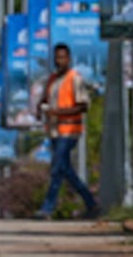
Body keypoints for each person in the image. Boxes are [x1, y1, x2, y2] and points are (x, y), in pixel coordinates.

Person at [35, 43, 100, 219]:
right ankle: (91, 202)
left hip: (70, 129)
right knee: (64, 169)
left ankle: (47, 208)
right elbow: (45, 99)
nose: (59, 61)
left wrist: (57, 112)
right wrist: (39, 108)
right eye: (57, 57)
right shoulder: (52, 79)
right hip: (55, 131)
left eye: (62, 57)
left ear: (69, 59)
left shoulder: (75, 78)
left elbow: (83, 106)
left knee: (57, 168)